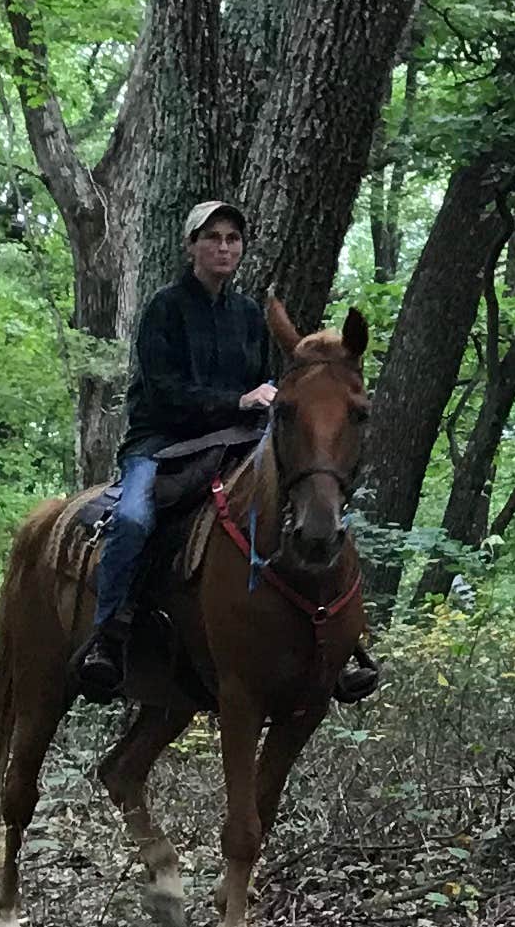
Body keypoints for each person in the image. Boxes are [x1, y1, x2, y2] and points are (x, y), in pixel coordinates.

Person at [75, 199, 379, 705]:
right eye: (212, 238)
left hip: (236, 441)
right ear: (191, 246)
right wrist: (236, 400)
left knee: (308, 497)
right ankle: (109, 636)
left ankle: (339, 639)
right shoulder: (164, 309)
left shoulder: (246, 315)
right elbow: (162, 389)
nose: (223, 247)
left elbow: (265, 383)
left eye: (232, 239)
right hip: (162, 443)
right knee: (131, 518)